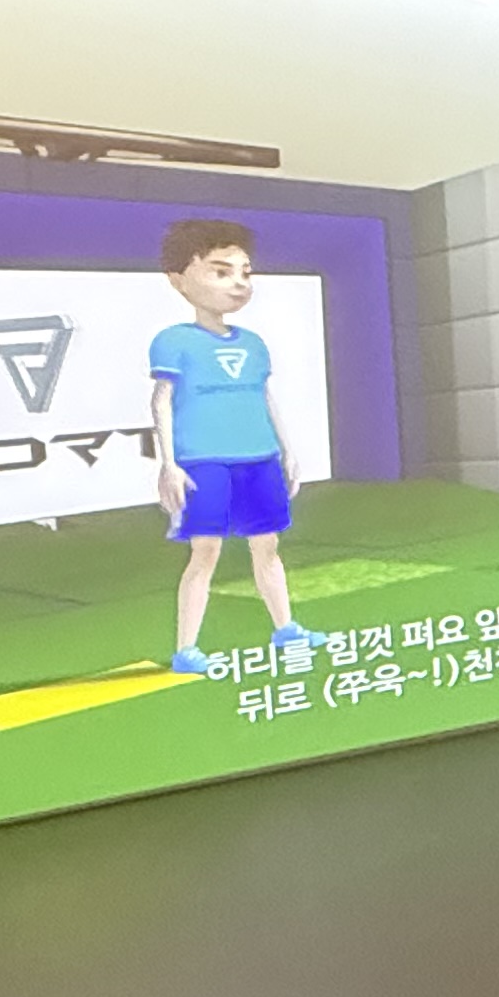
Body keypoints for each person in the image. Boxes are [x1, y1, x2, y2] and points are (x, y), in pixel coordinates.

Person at [151, 219, 321, 677]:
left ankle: (286, 629)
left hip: (259, 457)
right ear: (178, 279)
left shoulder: (254, 344)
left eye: (245, 272)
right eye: (220, 271)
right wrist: (169, 463)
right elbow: (162, 401)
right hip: (204, 461)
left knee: (267, 546)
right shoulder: (174, 341)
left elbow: (264, 395)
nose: (238, 283)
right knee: (205, 552)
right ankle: (187, 649)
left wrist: (287, 450)